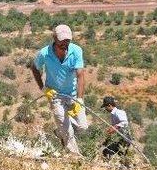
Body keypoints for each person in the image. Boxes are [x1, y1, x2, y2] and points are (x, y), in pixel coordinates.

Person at [31, 24, 88, 155]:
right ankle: (75, 157)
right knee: (68, 131)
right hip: (55, 95)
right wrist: (44, 88)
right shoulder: (44, 53)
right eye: (62, 40)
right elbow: (34, 68)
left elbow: (80, 75)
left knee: (83, 127)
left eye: (67, 40)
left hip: (72, 94)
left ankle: (60, 131)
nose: (64, 43)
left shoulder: (76, 50)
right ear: (54, 38)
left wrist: (80, 100)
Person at [101, 96, 132, 161]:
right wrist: (106, 140)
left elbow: (124, 122)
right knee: (106, 151)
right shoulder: (113, 114)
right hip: (119, 138)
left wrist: (114, 127)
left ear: (109, 105)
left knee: (121, 154)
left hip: (124, 138)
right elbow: (114, 129)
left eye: (105, 107)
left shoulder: (119, 112)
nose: (105, 109)